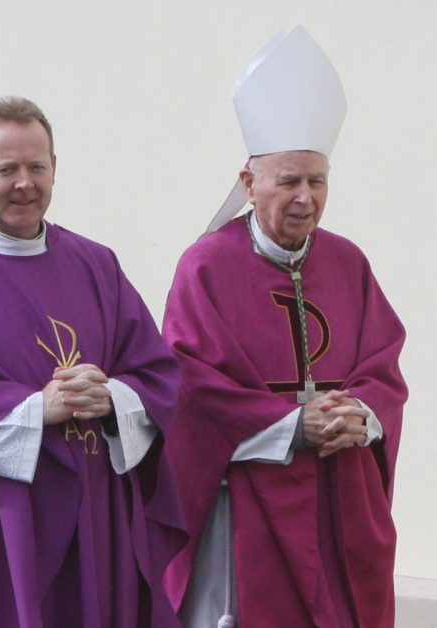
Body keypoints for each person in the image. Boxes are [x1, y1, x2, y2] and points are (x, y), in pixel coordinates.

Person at [0, 96, 186, 628]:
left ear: (54, 168)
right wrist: (35, 409)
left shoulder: (97, 265)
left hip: (97, 513)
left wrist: (112, 398)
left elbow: (157, 374)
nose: (25, 183)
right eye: (6, 170)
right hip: (2, 521)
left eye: (36, 167)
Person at [162, 27, 407, 628]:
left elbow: (384, 367)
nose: (304, 198)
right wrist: (292, 426)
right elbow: (192, 393)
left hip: (337, 506)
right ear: (249, 183)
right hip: (247, 509)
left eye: (316, 181)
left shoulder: (347, 262)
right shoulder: (206, 268)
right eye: (287, 180)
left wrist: (364, 414)